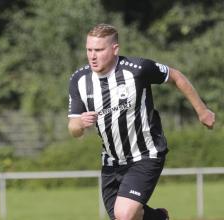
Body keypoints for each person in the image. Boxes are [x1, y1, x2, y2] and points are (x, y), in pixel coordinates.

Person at [68, 23, 215, 220]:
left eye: (99, 50)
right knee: (125, 217)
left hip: (146, 154)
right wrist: (80, 124)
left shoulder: (137, 69)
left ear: (114, 49)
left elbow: (176, 76)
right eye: (89, 50)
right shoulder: (79, 79)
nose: (92, 56)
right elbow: (73, 128)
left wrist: (202, 110)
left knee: (125, 214)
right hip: (112, 162)